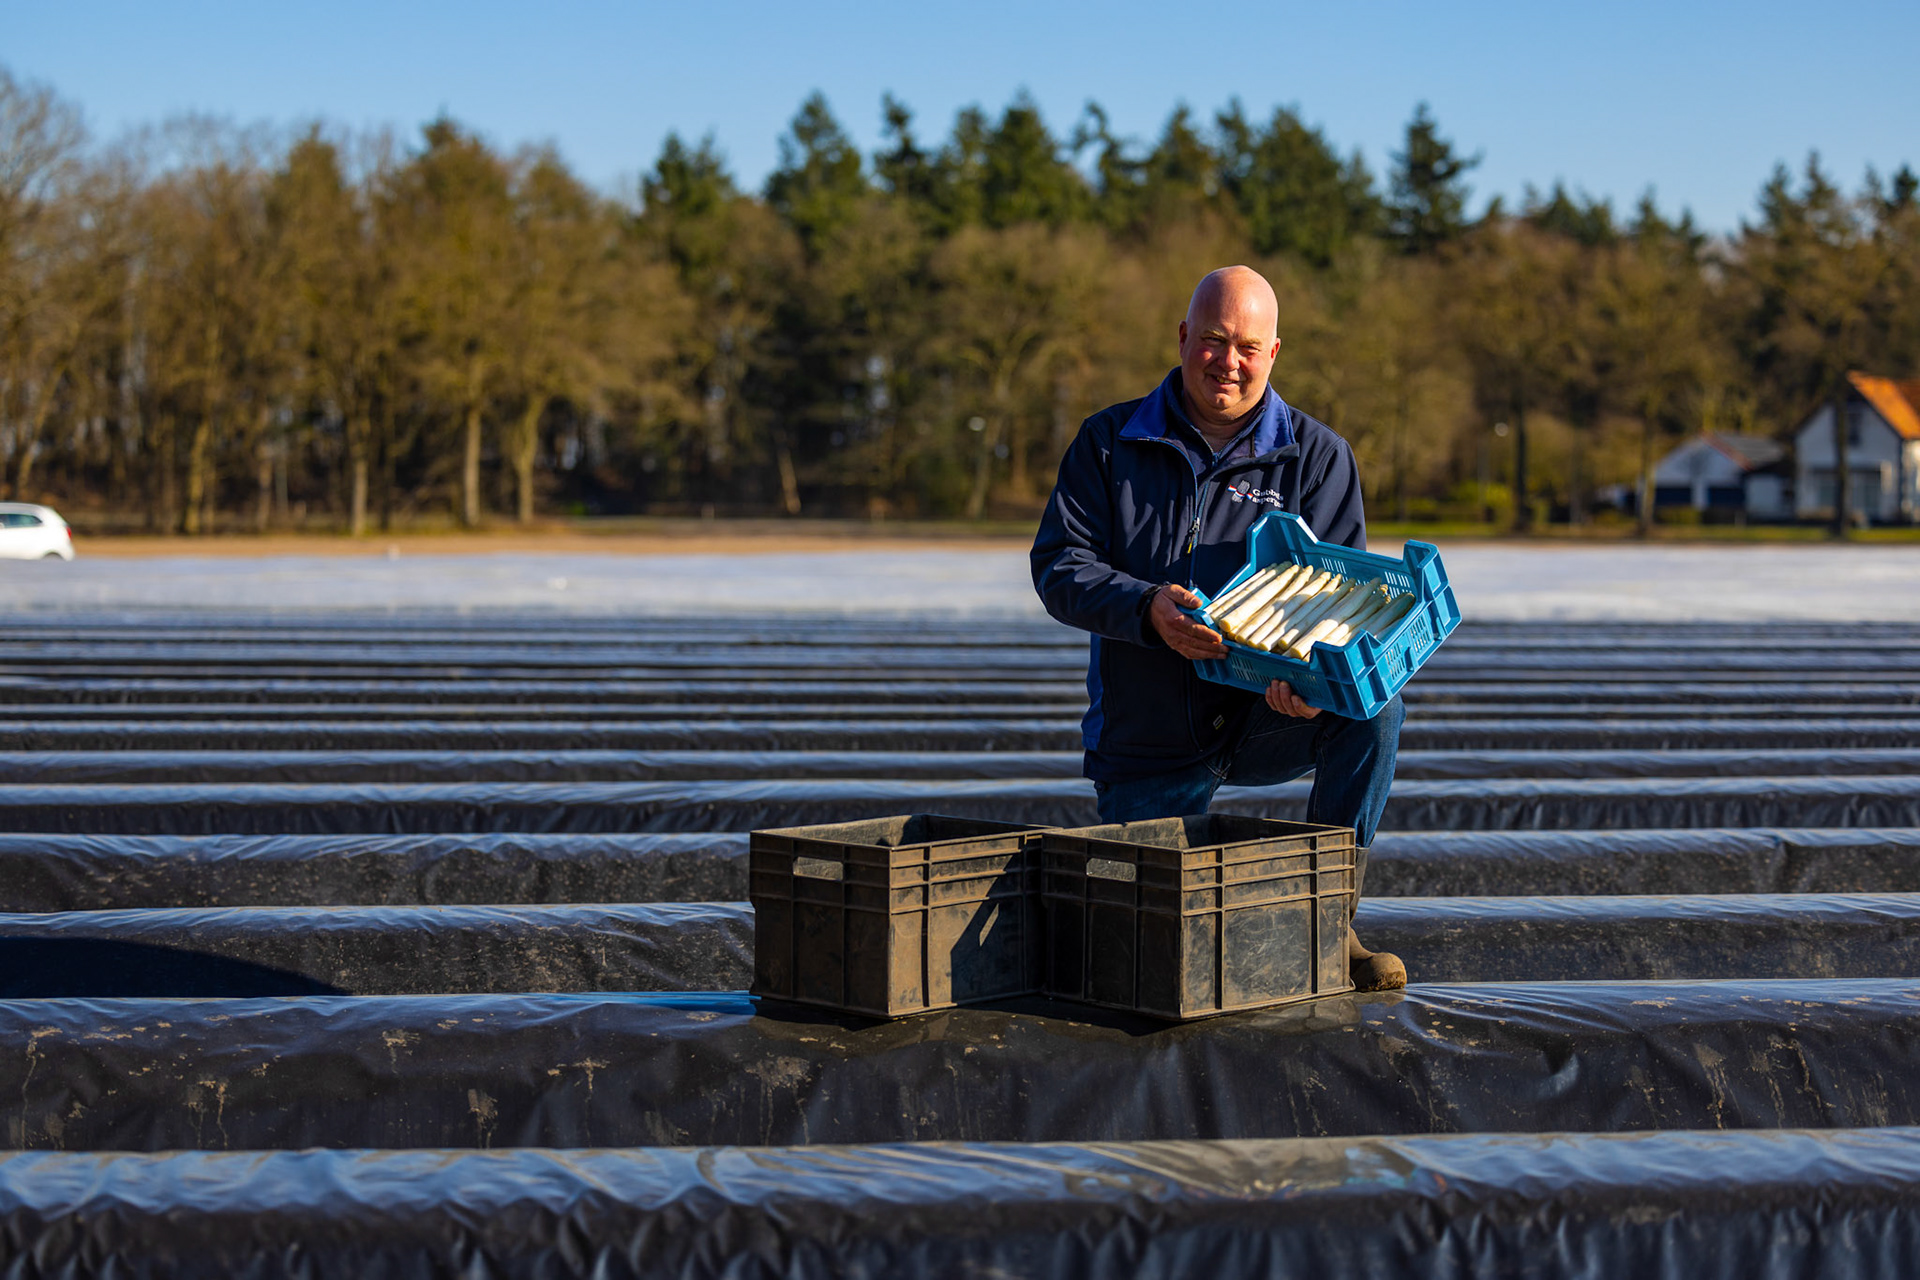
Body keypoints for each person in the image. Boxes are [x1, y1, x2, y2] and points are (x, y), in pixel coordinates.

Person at [1030, 264, 1407, 992]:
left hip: (1263, 716)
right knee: (1154, 960)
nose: (1227, 362)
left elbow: (1337, 597)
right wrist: (1146, 609)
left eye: (1247, 346)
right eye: (1212, 339)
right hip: (1148, 736)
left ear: (1274, 353)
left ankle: (1329, 919)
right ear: (1182, 338)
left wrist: (1313, 680)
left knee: (1373, 708)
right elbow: (1059, 566)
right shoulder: (1109, 443)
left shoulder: (1317, 457)